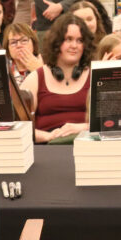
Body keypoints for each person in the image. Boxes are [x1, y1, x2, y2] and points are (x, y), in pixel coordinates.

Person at [19, 12, 93, 143]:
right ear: (56, 41)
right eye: (68, 39)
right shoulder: (36, 78)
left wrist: (83, 128)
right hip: (47, 150)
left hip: (87, 149)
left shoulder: (94, 77)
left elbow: (109, 125)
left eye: (80, 40)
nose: (74, 46)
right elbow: (18, 128)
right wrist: (48, 136)